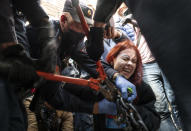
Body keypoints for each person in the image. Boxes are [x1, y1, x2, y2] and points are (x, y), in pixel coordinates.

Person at [93, 40, 160, 131]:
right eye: (125, 59)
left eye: (134, 61)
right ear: (112, 60)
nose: (130, 64)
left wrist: (131, 110)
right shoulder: (99, 83)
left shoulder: (143, 88)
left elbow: (154, 122)